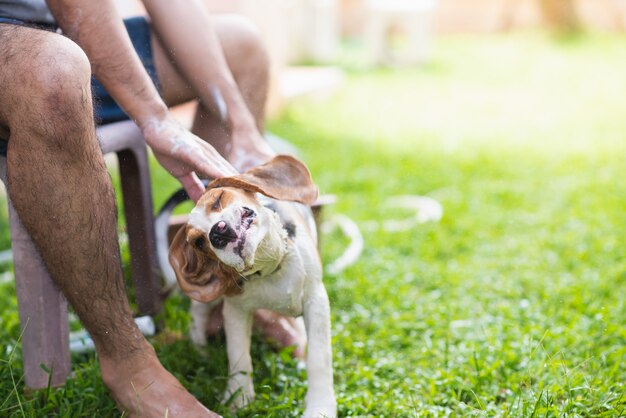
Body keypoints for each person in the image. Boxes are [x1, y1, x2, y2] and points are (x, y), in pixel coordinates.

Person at [0, 0, 305, 416]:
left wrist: (242, 125)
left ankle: (227, 291)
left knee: (241, 46)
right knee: (54, 73)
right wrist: (154, 117)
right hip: (31, 50)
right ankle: (128, 363)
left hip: (64, 35)